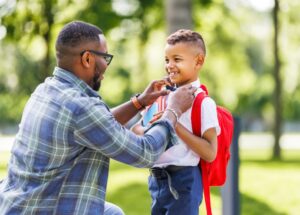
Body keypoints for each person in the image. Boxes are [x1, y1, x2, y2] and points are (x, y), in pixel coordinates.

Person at [0, 21, 197, 215]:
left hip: (20, 204)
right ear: (87, 59)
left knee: (113, 213)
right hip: (46, 208)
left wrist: (139, 103)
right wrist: (174, 110)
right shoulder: (80, 107)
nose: (106, 66)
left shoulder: (46, 90)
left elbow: (97, 125)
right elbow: (144, 153)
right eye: (105, 57)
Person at [131, 29, 220, 215]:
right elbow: (136, 129)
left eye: (177, 59)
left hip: (185, 179)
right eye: (166, 60)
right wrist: (153, 126)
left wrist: (172, 123)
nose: (170, 65)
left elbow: (210, 153)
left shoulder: (203, 103)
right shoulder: (160, 97)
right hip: (157, 180)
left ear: (199, 61)